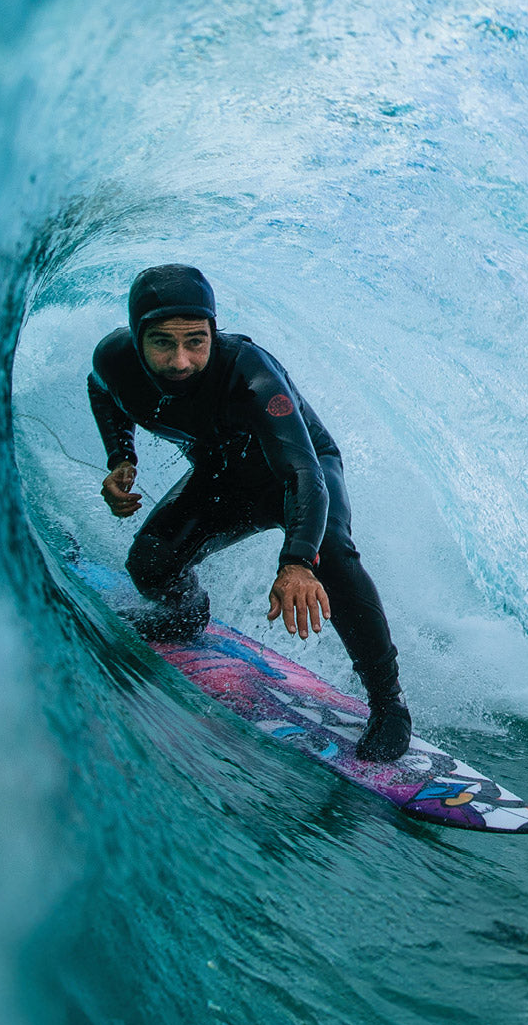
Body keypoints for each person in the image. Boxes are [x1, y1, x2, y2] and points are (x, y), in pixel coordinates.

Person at [87, 264, 412, 762]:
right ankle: (185, 614)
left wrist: (298, 562)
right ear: (135, 339)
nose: (181, 361)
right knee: (149, 565)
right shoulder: (114, 360)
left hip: (301, 474)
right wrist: (121, 458)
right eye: (162, 343)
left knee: (334, 558)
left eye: (197, 341)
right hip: (223, 476)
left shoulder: (250, 373)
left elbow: (303, 474)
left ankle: (390, 704)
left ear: (214, 332)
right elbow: (101, 391)